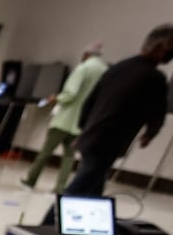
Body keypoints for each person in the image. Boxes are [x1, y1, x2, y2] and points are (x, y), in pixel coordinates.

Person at [57, 24, 173, 201]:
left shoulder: (118, 67)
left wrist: (84, 130)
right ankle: (49, 221)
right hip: (110, 139)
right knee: (79, 187)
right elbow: (157, 110)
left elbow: (90, 101)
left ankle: (90, 225)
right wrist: (151, 133)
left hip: (92, 135)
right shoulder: (154, 78)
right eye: (172, 45)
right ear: (160, 48)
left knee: (94, 187)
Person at [20, 42, 108, 193]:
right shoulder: (105, 71)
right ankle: (60, 187)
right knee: (69, 155)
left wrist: (56, 98)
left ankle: (31, 180)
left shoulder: (83, 68)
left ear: (86, 54)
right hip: (82, 121)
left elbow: (70, 94)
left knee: (45, 152)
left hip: (64, 119)